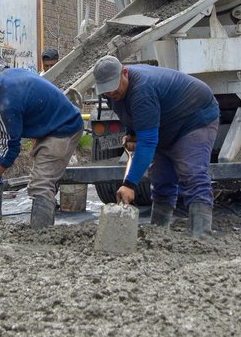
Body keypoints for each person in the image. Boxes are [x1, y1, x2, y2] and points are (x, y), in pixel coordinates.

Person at [91, 55, 219, 236]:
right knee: (161, 177)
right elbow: (129, 113)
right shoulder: (113, 94)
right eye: (106, 91)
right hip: (166, 122)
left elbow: (148, 142)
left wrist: (129, 184)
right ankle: (159, 233)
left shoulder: (142, 89)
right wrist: (132, 132)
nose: (111, 94)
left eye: (113, 88)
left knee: (192, 173)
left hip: (194, 117)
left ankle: (201, 236)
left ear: (125, 73)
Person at [0, 67, 83, 229]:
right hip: (54, 124)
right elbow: (32, 99)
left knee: (41, 184)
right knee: (41, 179)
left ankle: (40, 236)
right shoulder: (5, 78)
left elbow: (11, 149)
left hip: (64, 128)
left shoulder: (6, 104)